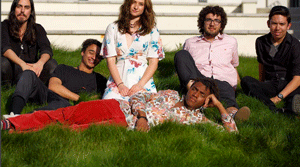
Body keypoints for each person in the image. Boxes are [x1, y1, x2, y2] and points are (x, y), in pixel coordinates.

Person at [1, 77, 238, 133]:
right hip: (118, 108)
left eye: (201, 94)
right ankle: (9, 123)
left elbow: (231, 135)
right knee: (66, 113)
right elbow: (138, 97)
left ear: (205, 101)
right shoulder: (169, 93)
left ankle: (15, 130)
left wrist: (218, 106)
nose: (194, 94)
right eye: (194, 88)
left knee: (70, 131)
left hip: (122, 126)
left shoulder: (198, 120)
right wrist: (143, 115)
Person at [174, 5, 250, 121]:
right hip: (198, 81)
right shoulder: (190, 42)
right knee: (181, 54)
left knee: (226, 91)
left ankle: (234, 114)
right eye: (208, 20)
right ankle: (195, 94)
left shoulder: (231, 42)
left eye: (216, 21)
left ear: (221, 24)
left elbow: (234, 65)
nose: (212, 24)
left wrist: (236, 83)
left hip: (222, 84)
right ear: (202, 22)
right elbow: (185, 66)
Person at [3, 39, 107, 118]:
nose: (94, 57)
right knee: (29, 74)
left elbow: (103, 99)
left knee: (64, 104)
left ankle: (26, 118)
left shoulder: (100, 80)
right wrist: (80, 99)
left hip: (64, 105)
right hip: (49, 95)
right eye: (91, 52)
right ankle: (14, 113)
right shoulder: (64, 68)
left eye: (98, 56)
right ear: (83, 52)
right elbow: (53, 86)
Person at [100, 0, 165, 101]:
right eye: (133, 2)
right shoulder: (113, 28)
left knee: (145, 108)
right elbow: (110, 60)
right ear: (128, 3)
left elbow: (153, 63)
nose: (136, 7)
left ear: (145, 8)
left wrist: (140, 85)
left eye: (140, 4)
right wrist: (120, 85)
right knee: (111, 106)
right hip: (118, 78)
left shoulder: (152, 31)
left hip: (142, 79)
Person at [241, 6, 300, 114]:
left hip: (289, 83)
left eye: (282, 24)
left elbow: (297, 78)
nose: (277, 28)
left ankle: (290, 109)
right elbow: (261, 66)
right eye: (274, 23)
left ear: (288, 26)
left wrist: (278, 97)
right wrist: (260, 85)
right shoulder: (260, 42)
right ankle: (274, 108)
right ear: (268, 24)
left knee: (296, 92)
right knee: (246, 81)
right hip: (271, 84)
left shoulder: (295, 45)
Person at [1, 0, 57, 85]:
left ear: (31, 11)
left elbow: (46, 49)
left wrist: (40, 63)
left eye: (26, 7)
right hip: (13, 69)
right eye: (19, 7)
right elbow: (5, 48)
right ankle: (7, 90)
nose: (22, 11)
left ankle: (40, 90)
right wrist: (23, 65)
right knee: (2, 63)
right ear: (14, 9)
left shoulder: (37, 28)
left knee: (52, 64)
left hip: (33, 69)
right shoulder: (4, 26)